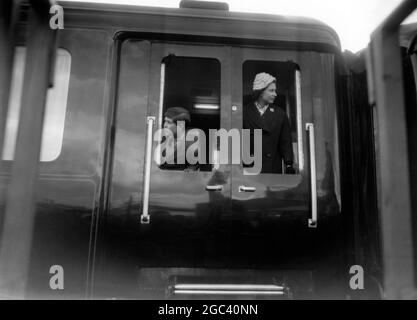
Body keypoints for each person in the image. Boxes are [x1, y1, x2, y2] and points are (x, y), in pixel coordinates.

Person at [243, 72, 295, 174]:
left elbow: (286, 143)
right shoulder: (244, 113)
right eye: (271, 90)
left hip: (272, 173)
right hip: (249, 172)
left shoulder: (280, 114)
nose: (275, 94)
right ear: (261, 91)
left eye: (275, 91)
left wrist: (289, 164)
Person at [158, 107, 200, 171]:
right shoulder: (162, 139)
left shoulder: (192, 140)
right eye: (165, 121)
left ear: (181, 125)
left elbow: (193, 166)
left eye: (169, 122)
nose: (165, 125)